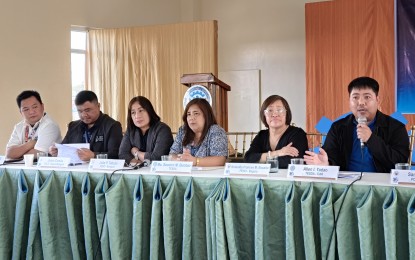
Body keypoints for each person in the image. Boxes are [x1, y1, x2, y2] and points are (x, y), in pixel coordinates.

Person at [303, 76, 410, 173]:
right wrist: (326, 164)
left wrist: (371, 139)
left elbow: (400, 163)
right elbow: (330, 157)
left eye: (367, 97)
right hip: (346, 186)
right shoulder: (338, 127)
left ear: (378, 100)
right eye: (355, 97)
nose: (361, 102)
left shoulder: (396, 127)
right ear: (349, 101)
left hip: (383, 187)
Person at [49, 90, 123, 161]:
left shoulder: (112, 126)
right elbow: (64, 148)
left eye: (88, 110)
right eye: (80, 111)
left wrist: (94, 156)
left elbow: (116, 155)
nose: (84, 115)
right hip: (76, 170)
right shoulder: (73, 126)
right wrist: (56, 151)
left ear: (98, 106)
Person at [244, 95, 308, 168]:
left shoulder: (297, 134)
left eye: (279, 110)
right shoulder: (262, 135)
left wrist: (262, 159)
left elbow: (292, 161)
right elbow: (248, 158)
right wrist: (278, 153)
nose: (274, 114)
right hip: (265, 178)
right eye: (270, 110)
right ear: (264, 115)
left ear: (286, 113)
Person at [169, 98, 228, 166]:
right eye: (189, 114)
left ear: (206, 115)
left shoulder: (216, 131)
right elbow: (172, 154)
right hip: (186, 175)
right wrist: (180, 159)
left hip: (208, 175)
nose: (191, 118)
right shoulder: (183, 131)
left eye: (196, 113)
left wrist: (196, 161)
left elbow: (220, 160)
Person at [6, 90, 62, 159]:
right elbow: (9, 153)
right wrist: (31, 144)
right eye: (26, 109)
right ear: (21, 112)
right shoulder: (19, 127)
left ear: (42, 106)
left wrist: (17, 153)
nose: (31, 112)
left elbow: (38, 154)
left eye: (35, 107)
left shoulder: (50, 125)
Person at [119, 96, 173, 164]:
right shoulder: (131, 130)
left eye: (141, 110)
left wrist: (136, 153)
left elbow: (156, 158)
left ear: (149, 111)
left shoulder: (163, 130)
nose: (137, 116)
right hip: (137, 172)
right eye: (133, 113)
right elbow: (122, 155)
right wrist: (139, 163)